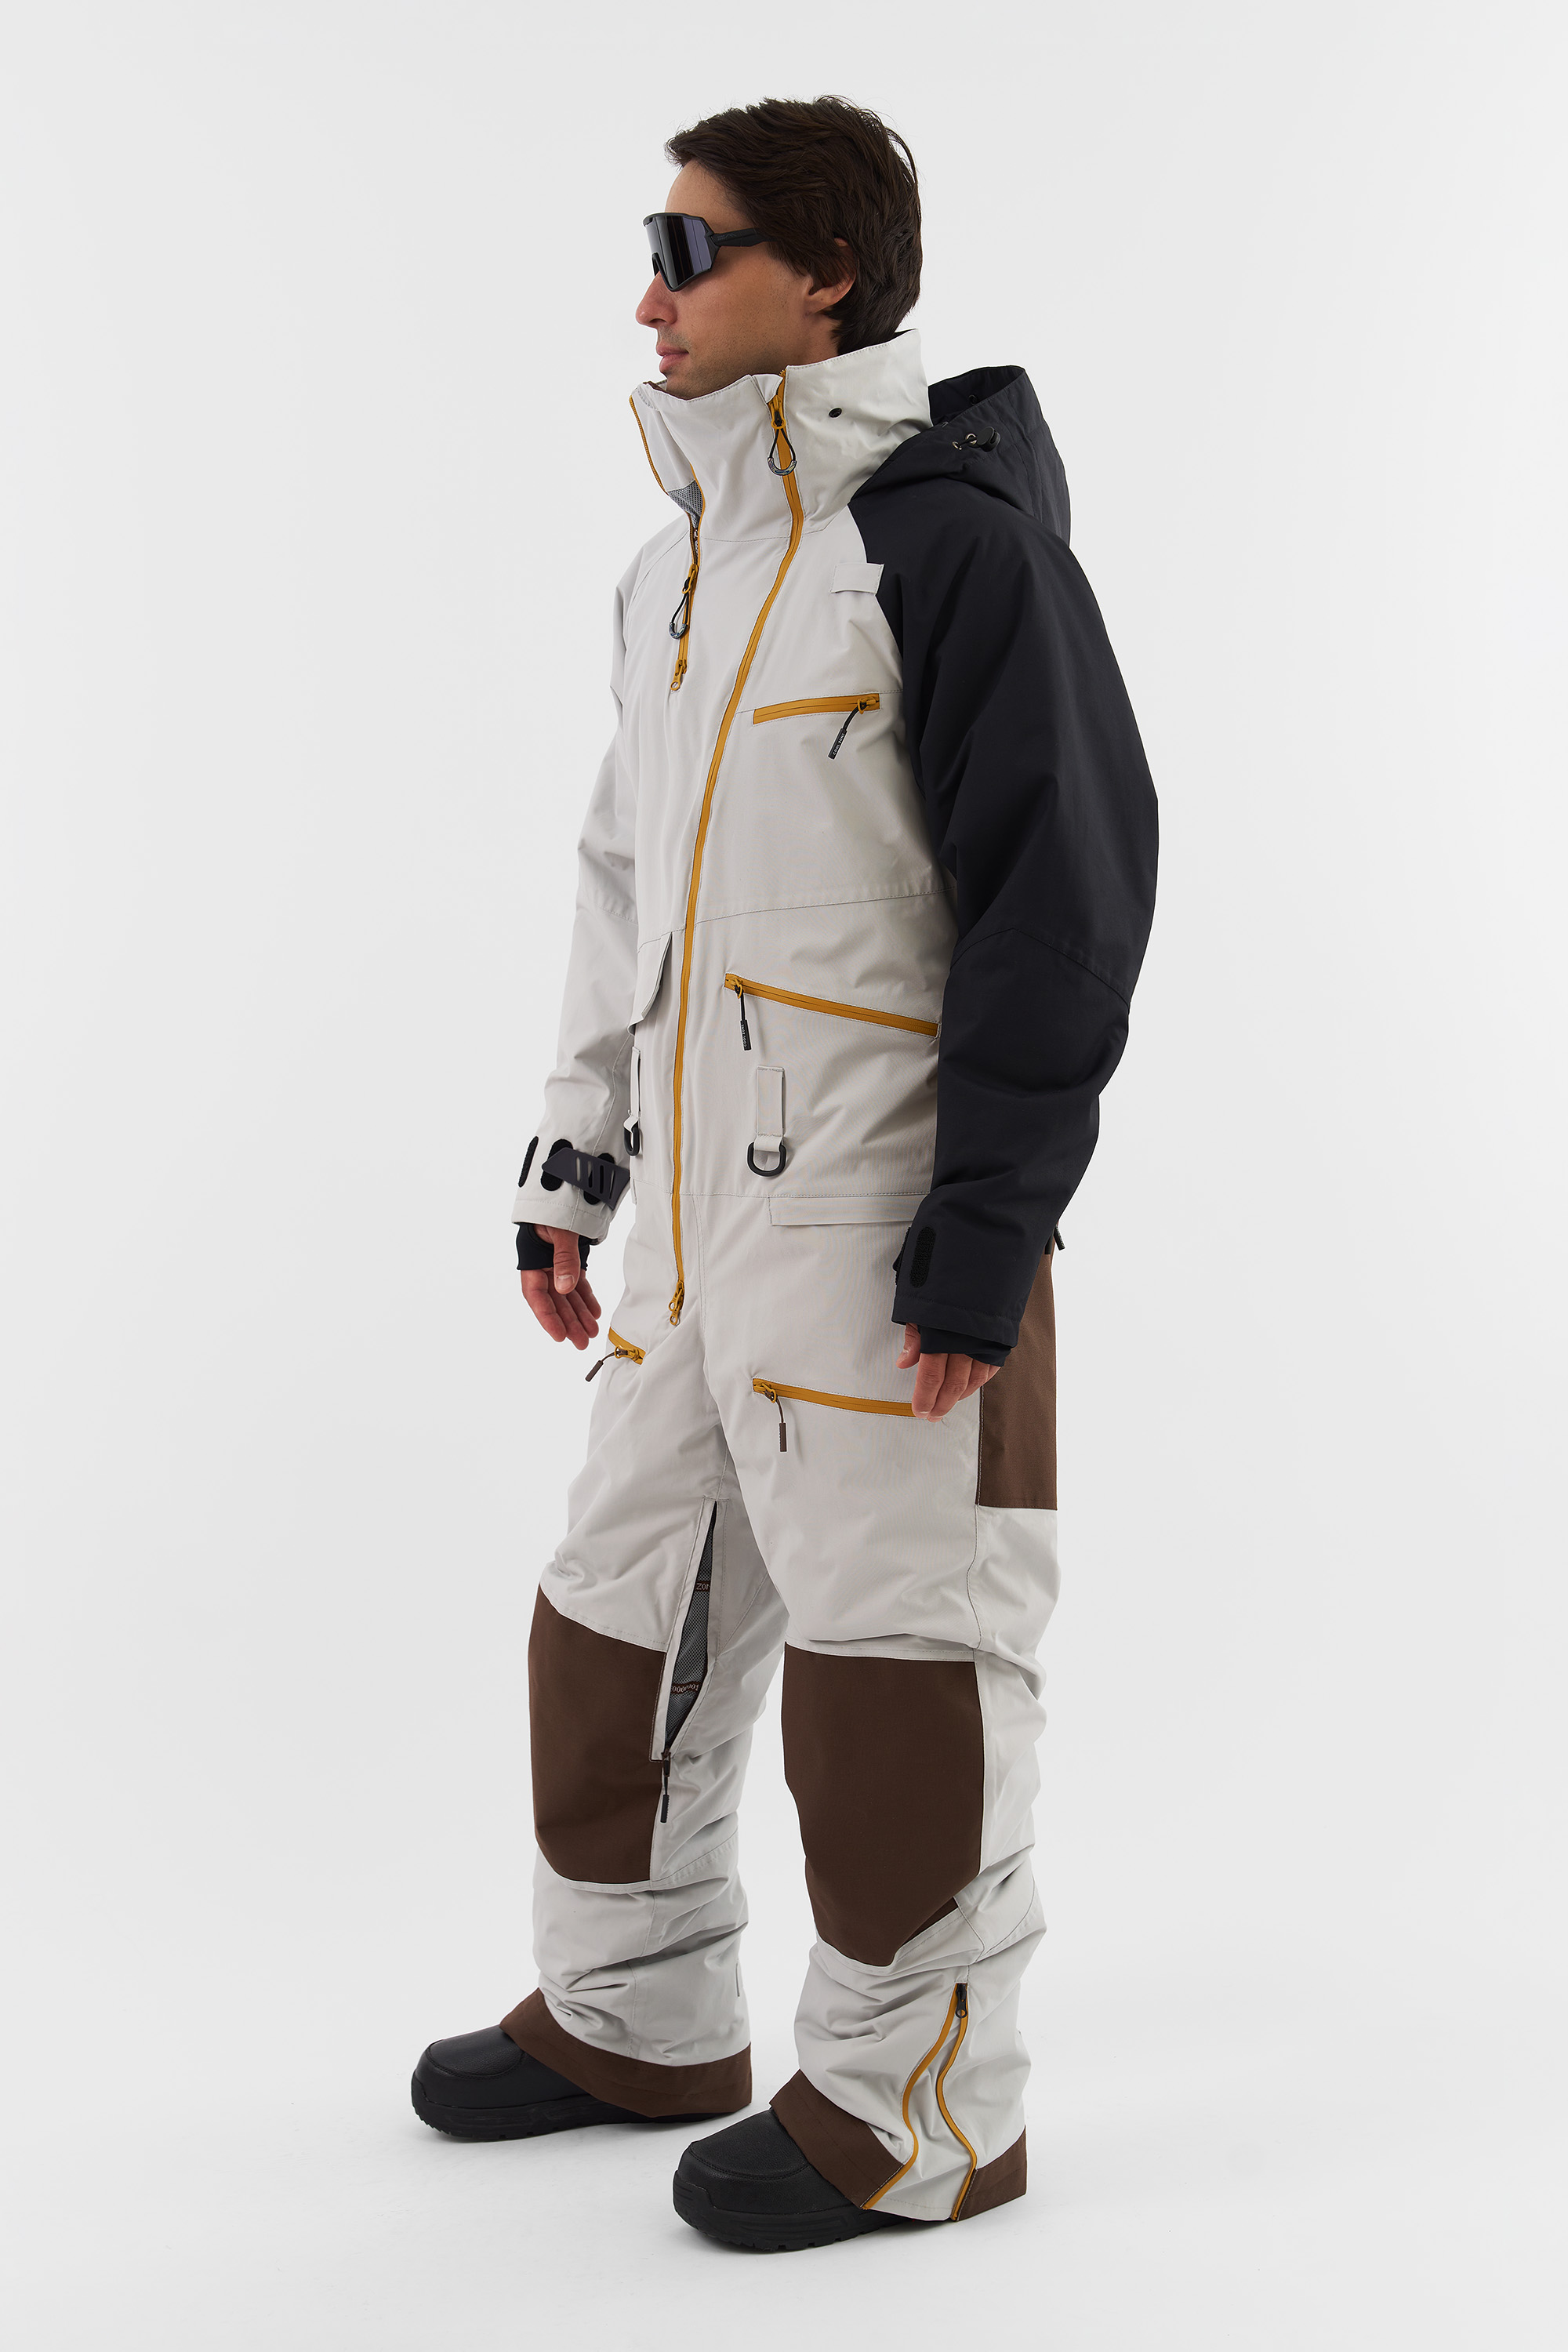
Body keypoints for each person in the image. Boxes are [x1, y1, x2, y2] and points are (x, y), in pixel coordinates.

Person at [411, 94, 1158, 2252]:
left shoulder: (954, 552)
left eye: (691, 247)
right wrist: (575, 1160)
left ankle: (923, 2110)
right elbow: (624, 884)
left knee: (897, 1670)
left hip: (883, 1223)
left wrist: (983, 1241)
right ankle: (635, 2016)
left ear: (824, 277)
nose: (647, 293)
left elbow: (1068, 906)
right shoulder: (676, 572)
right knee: (615, 1613)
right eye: (650, 245)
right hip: (692, 1229)